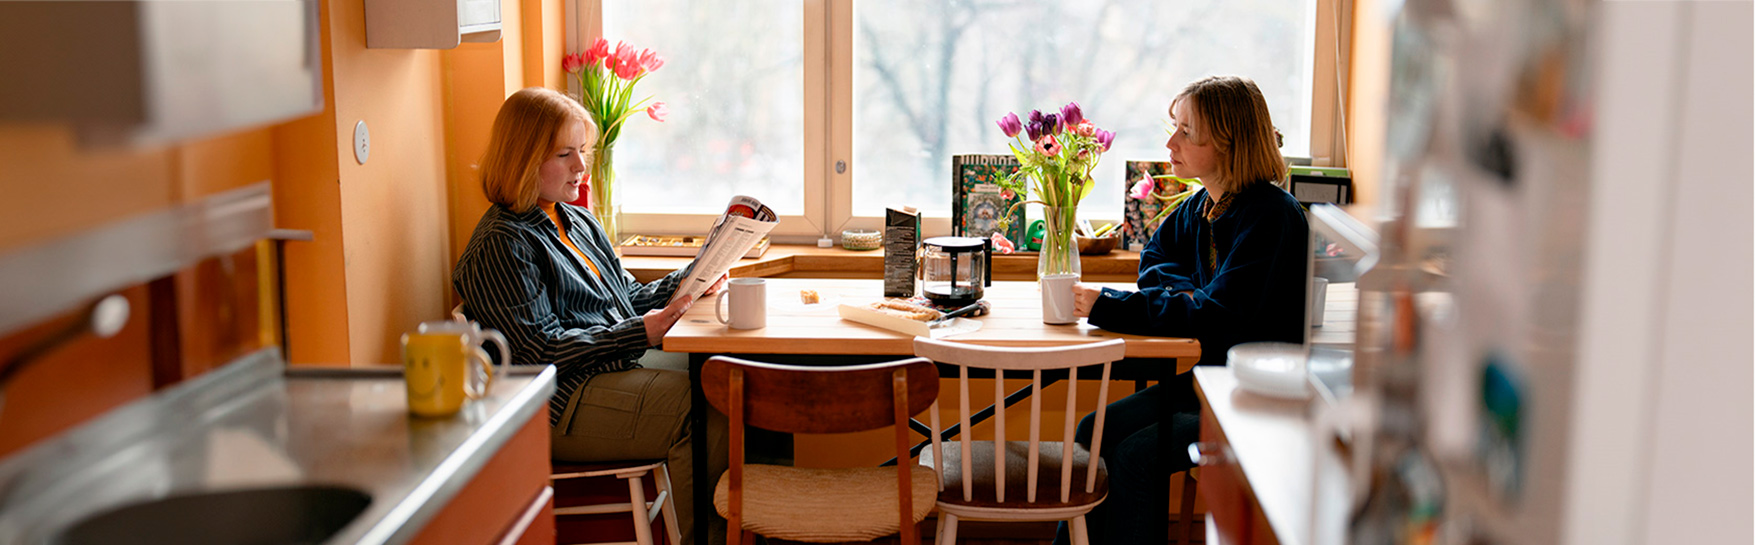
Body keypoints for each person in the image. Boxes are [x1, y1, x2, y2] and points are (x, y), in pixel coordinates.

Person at [452, 87, 728, 545]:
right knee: (708, 408)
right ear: (522, 159)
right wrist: (641, 332)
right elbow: (539, 352)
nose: (582, 167)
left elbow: (624, 299)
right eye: (565, 154)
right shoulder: (503, 243)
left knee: (729, 376)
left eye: (582, 151)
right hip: (556, 403)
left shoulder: (574, 220)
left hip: (603, 372)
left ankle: (747, 530)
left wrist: (692, 279)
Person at [1057, 76, 1308, 545]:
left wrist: (1109, 306)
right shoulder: (1200, 206)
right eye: (1174, 128)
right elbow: (1155, 260)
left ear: (1230, 143)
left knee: (1134, 457)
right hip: (1210, 383)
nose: (1171, 142)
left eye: (1187, 133)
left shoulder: (1273, 217)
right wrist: (1190, 295)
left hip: (1255, 398)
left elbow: (1216, 316)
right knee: (1095, 432)